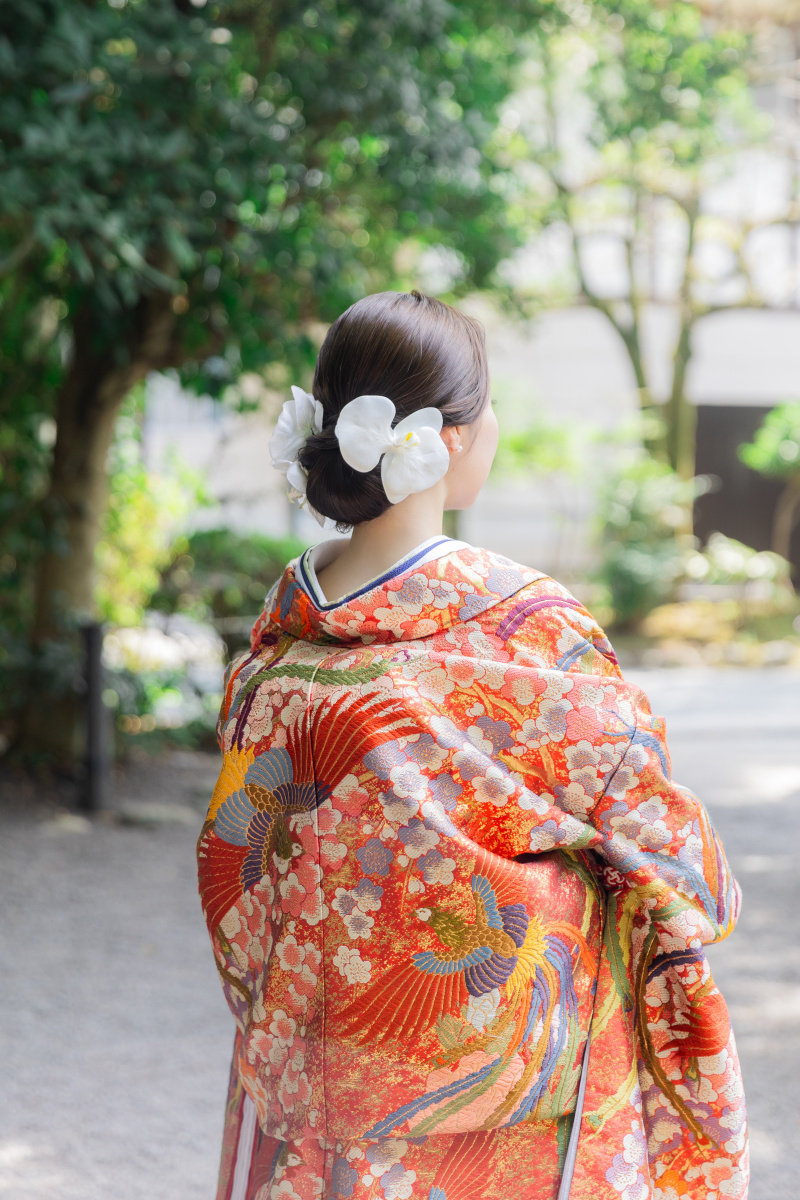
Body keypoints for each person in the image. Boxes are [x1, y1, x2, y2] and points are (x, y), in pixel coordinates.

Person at [198, 291, 747, 1200]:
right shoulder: (524, 627)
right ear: (451, 439)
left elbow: (239, 863)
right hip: (501, 1099)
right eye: (487, 407)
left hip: (312, 1081)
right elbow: (651, 827)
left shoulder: (277, 641)